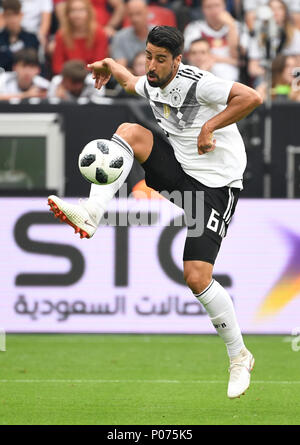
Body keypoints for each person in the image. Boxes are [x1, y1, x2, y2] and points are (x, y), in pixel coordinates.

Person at [48, 25, 262, 399]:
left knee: (196, 277)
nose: (152, 64)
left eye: (161, 59)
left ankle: (239, 355)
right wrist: (110, 64)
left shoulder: (200, 83)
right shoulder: (150, 80)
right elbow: (131, 81)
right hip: (181, 174)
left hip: (215, 187)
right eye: (149, 55)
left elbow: (253, 97)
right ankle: (92, 211)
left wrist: (209, 126)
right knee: (130, 130)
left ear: (177, 61)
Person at [183, 0, 240, 81]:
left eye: (217, 5)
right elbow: (196, 56)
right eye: (208, 7)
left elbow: (237, 56)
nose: (213, 10)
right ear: (202, 9)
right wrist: (232, 61)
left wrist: (231, 26)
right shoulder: (193, 28)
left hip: (234, 78)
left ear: (225, 7)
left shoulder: (237, 27)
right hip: (203, 76)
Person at [248, 0, 300, 85]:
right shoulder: (258, 35)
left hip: (289, 76)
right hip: (266, 76)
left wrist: (286, 72)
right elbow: (252, 68)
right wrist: (271, 73)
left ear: (285, 13)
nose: (275, 12)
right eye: (271, 8)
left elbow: (298, 64)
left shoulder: (295, 35)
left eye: (279, 8)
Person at [51, 0, 108, 75]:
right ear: (67, 14)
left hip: (91, 75)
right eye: (73, 11)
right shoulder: (61, 35)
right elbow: (57, 66)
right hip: (67, 76)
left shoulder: (99, 34)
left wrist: (81, 74)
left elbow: (99, 64)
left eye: (81, 10)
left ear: (89, 13)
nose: (77, 15)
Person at [0, 0, 39, 72]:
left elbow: (34, 62)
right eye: (9, 15)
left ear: (21, 15)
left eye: (16, 14)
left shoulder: (31, 38)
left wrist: (7, 52)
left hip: (27, 78)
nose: (13, 19)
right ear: (3, 16)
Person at [110, 0, 151, 67]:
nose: (134, 19)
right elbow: (120, 69)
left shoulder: (159, 34)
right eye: (131, 14)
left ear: (147, 12)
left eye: (138, 14)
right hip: (130, 76)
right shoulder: (120, 38)